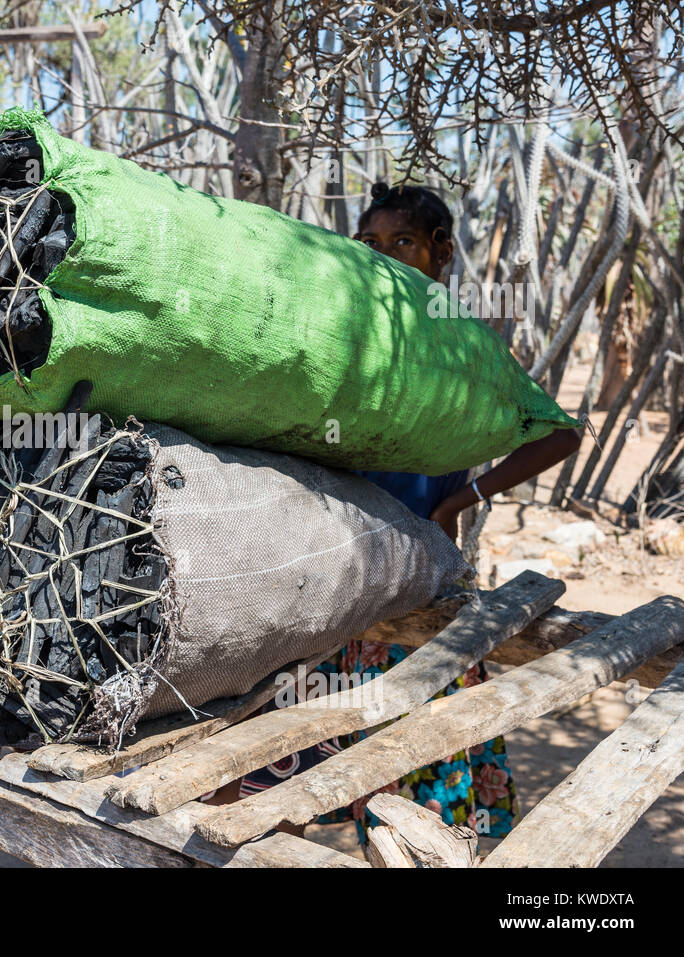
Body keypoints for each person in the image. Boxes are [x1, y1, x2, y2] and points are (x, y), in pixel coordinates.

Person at [208, 182, 581, 844]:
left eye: (402, 242)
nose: (383, 255)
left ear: (442, 253)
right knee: (279, 766)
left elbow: (561, 434)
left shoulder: (462, 347)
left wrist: (461, 500)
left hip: (419, 583)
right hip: (332, 579)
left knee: (413, 775)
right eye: (370, 243)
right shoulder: (345, 335)